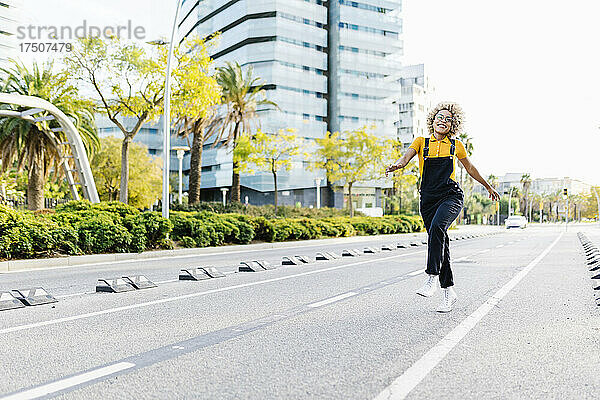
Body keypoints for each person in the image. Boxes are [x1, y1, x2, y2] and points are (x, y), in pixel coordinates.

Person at [386, 102, 500, 312]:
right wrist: (397, 165)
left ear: (452, 125)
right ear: (433, 120)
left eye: (448, 119)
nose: (443, 121)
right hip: (428, 199)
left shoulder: (456, 145)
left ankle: (431, 277)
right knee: (441, 243)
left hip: (450, 196)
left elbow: (471, 168)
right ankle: (448, 294)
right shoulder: (421, 142)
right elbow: (405, 158)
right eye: (440, 117)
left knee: (438, 228)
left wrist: (488, 186)